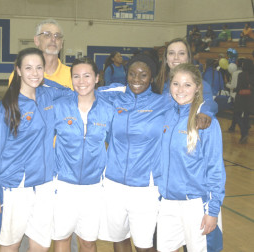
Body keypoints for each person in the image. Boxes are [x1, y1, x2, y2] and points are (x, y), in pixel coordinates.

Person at [0, 48, 64, 252]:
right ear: (17, 71)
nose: (34, 73)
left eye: (39, 68)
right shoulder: (6, 108)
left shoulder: (47, 96)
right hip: (15, 188)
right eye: (28, 68)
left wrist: (45, 83)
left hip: (44, 186)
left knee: (41, 247)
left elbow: (73, 92)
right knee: (11, 246)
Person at [99, 53, 170, 252]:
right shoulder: (116, 99)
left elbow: (197, 101)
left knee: (144, 245)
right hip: (113, 183)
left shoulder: (163, 102)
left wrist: (206, 111)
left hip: (145, 187)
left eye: (143, 75)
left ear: (152, 78)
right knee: (119, 238)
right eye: (132, 74)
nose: (136, 80)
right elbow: (87, 90)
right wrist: (120, 90)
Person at [157, 63, 226, 252]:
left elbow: (215, 168)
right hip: (168, 201)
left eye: (187, 85)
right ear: (169, 86)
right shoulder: (166, 114)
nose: (180, 90)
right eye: (176, 84)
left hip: (196, 204)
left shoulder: (206, 122)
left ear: (197, 88)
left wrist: (212, 211)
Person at [51, 58, 114, 252]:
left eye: (87, 76)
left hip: (94, 187)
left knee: (87, 242)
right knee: (62, 238)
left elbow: (116, 145)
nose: (81, 81)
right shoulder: (59, 106)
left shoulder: (108, 109)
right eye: (76, 76)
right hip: (62, 184)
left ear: (97, 78)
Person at [156, 37, 218, 125]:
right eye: (171, 53)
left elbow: (210, 103)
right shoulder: (159, 83)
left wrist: (205, 113)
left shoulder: (200, 84)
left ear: (188, 58)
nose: (176, 57)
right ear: (166, 58)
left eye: (181, 53)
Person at [9, 19, 73, 90]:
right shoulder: (20, 76)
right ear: (37, 40)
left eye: (57, 36)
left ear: (61, 44)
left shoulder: (73, 75)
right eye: (47, 35)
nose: (53, 39)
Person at [233, 58, 254, 143]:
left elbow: (238, 87)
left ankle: (243, 132)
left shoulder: (241, 75)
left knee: (237, 115)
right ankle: (244, 133)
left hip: (241, 98)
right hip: (250, 99)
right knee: (246, 116)